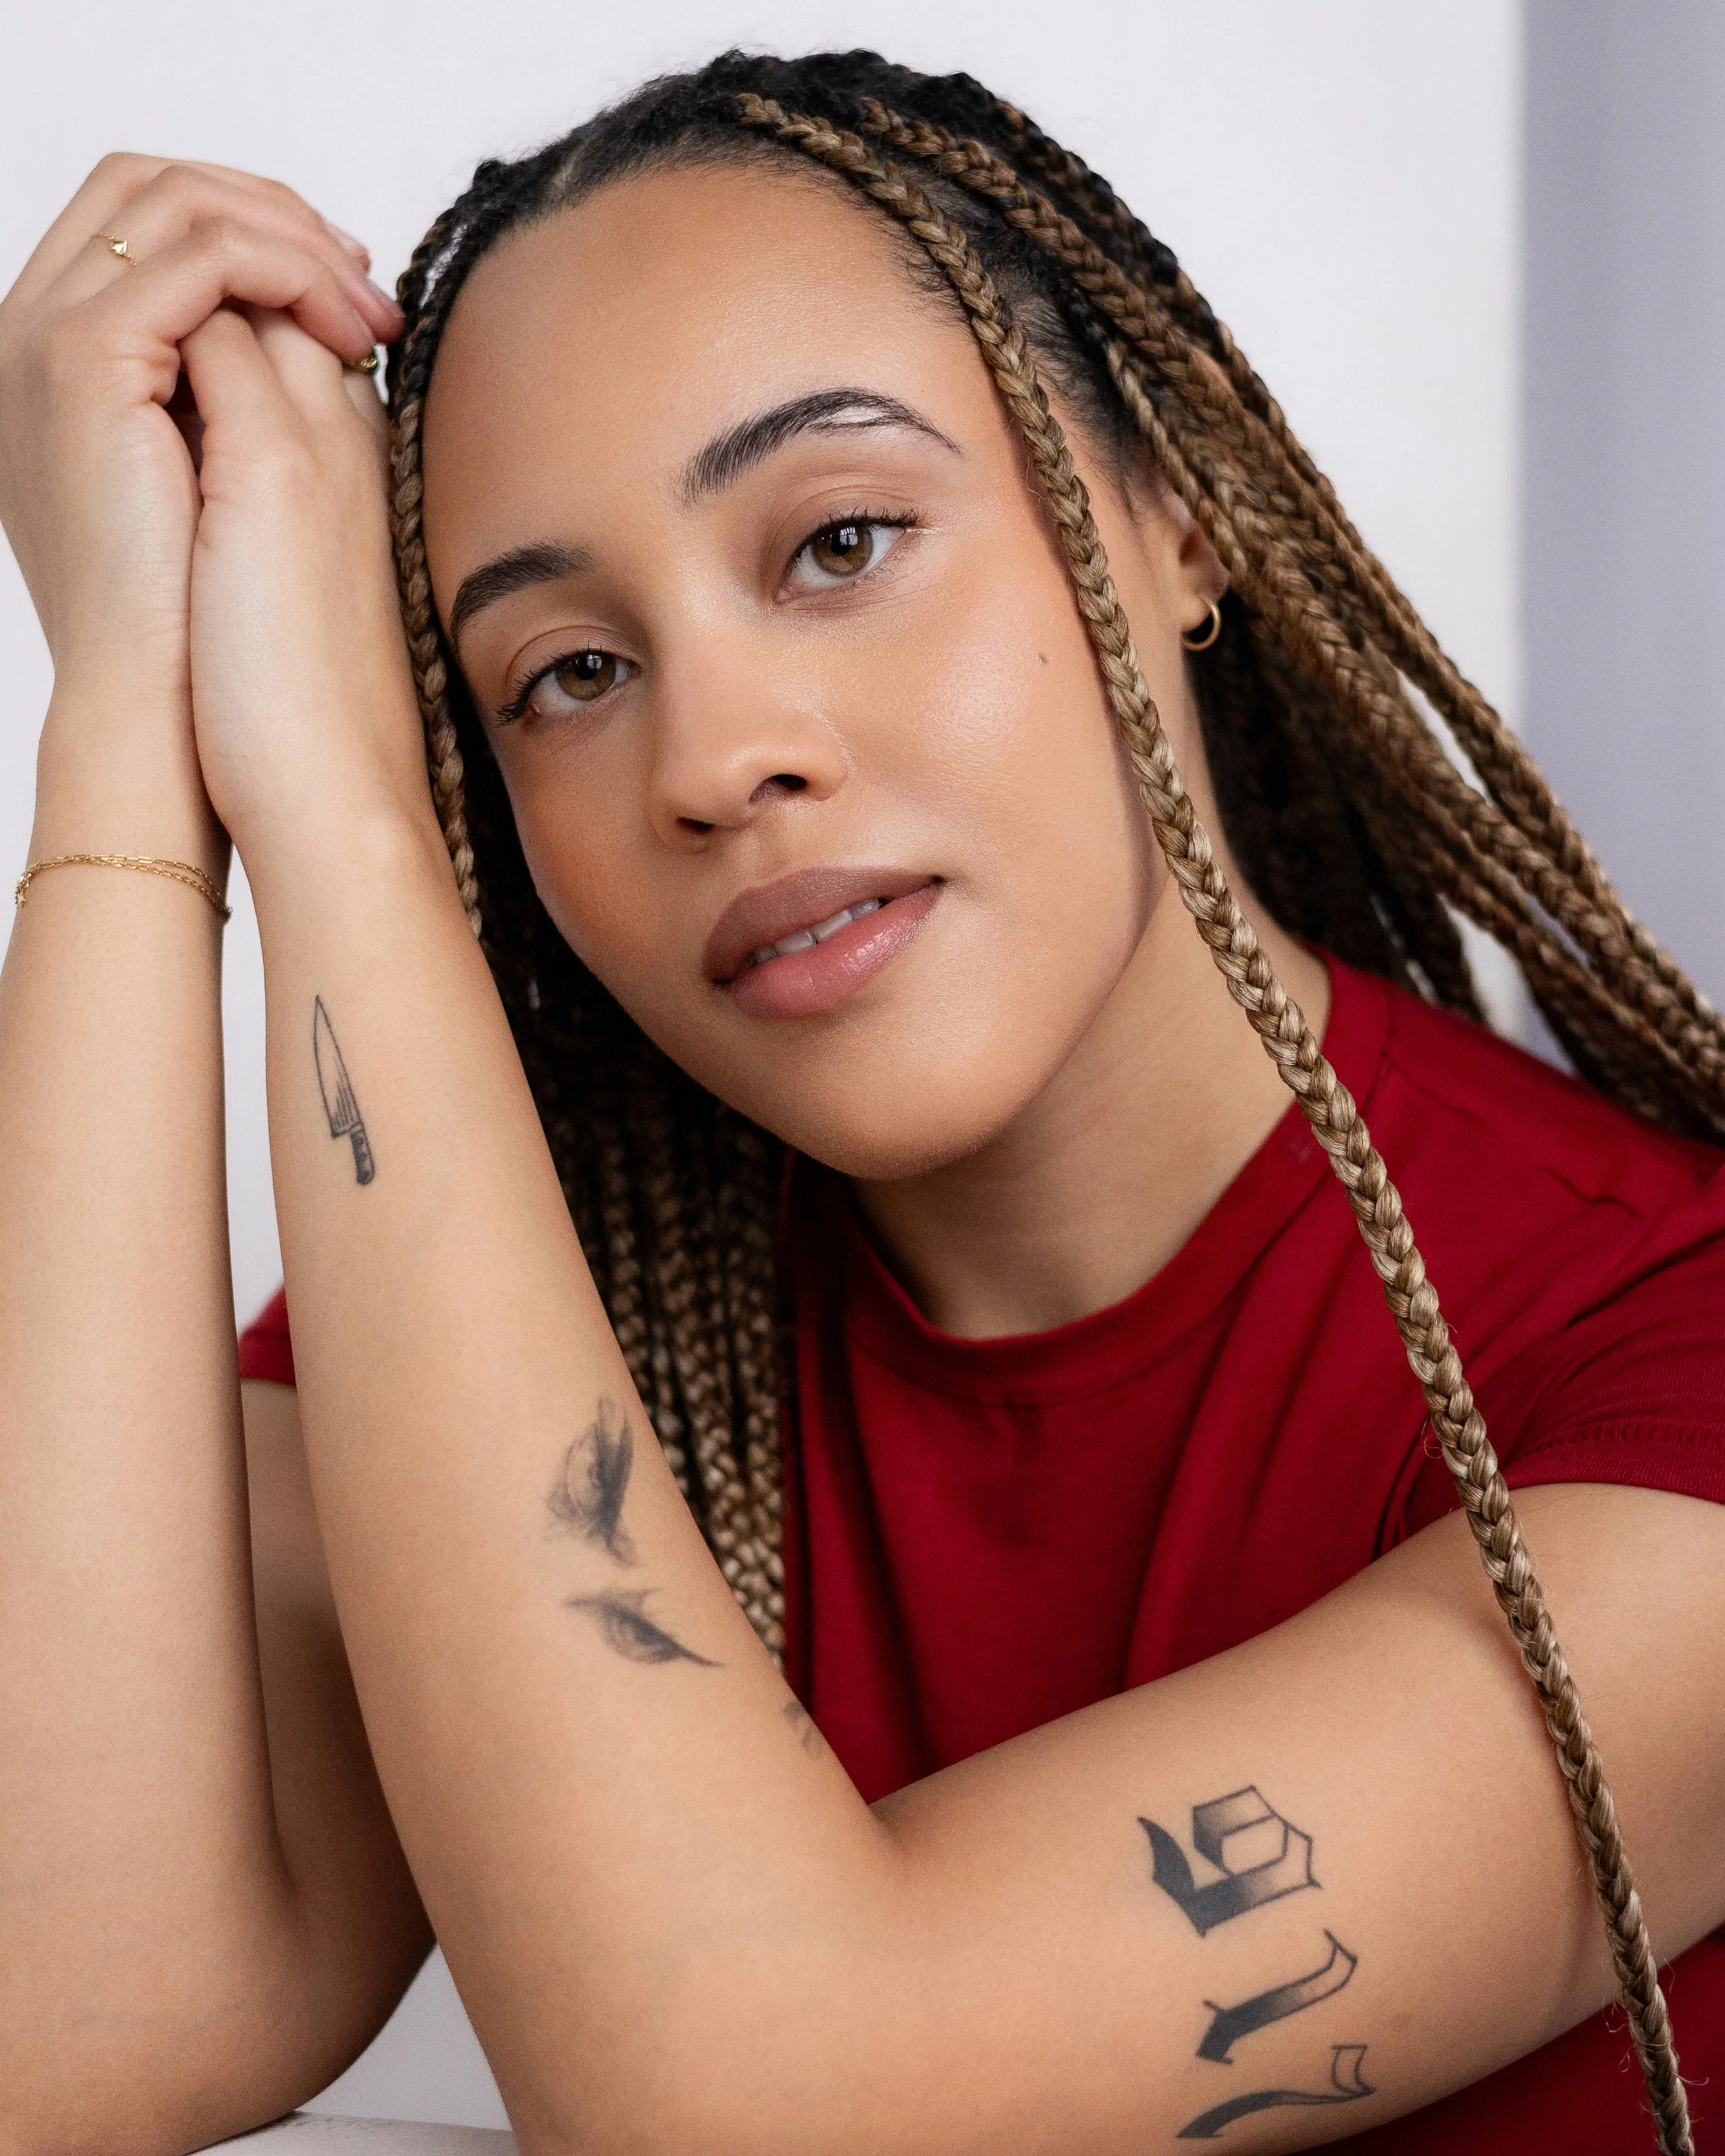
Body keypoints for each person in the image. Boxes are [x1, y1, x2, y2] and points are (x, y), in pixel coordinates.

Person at [1, 46, 1722, 2156]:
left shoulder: (1674, 1361)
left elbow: (777, 2103)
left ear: (1178, 510)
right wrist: (132, 703)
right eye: (565, 671)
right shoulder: (543, 1315)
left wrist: (348, 822)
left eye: (838, 541)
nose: (713, 757)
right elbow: (64, 2016)